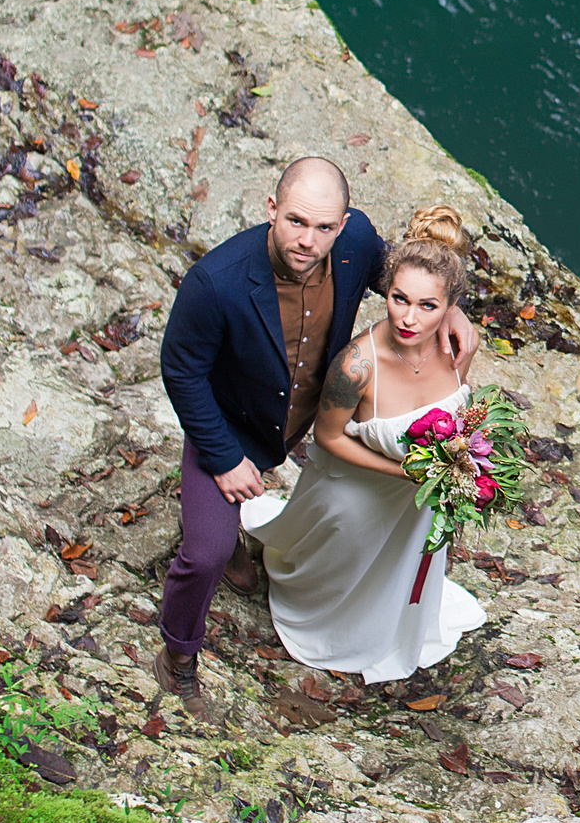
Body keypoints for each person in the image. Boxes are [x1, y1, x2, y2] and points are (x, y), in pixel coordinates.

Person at [153, 159, 467, 719]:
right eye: (296, 221)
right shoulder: (214, 283)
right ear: (271, 209)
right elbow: (181, 371)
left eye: (324, 227)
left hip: (307, 416)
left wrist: (452, 312)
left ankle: (242, 544)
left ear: (343, 225)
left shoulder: (357, 244)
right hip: (234, 428)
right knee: (204, 554)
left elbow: (408, 278)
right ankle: (177, 656)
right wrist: (224, 459)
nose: (308, 240)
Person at [237, 206, 489, 682]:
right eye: (398, 299)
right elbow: (327, 438)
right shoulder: (356, 365)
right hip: (354, 495)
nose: (408, 318)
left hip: (416, 505)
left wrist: (454, 467)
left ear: (451, 306)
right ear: (386, 291)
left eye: (428, 306)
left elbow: (454, 419)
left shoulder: (458, 348)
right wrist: (410, 474)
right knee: (335, 585)